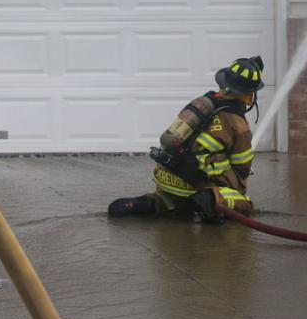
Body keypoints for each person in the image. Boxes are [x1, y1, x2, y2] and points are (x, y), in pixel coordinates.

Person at [108, 56, 263, 221]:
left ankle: (149, 203)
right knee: (244, 204)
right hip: (199, 183)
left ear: (223, 83)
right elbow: (242, 168)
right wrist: (231, 192)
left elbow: (171, 139)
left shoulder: (201, 104)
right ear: (249, 94)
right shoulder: (239, 125)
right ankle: (209, 199)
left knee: (172, 203)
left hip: (168, 177)